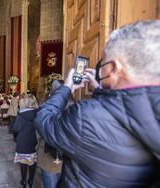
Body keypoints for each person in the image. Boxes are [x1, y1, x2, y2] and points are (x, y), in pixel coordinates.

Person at [35, 20, 160, 187]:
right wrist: (101, 88)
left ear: (115, 67)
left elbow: (44, 120)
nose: (101, 69)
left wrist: (67, 87)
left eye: (104, 62)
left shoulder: (87, 117)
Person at [13, 93, 38, 188]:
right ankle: (31, 180)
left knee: (23, 164)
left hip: (23, 144)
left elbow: (15, 129)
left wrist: (15, 137)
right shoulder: (38, 114)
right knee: (32, 163)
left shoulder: (20, 116)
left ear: (24, 103)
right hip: (34, 143)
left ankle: (23, 181)